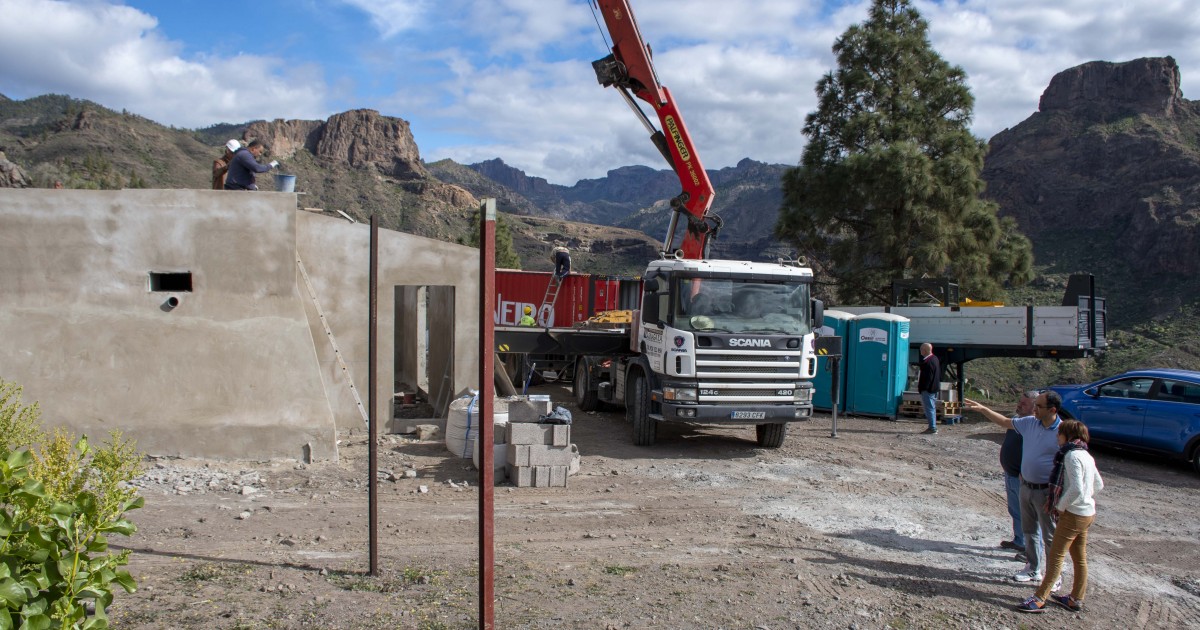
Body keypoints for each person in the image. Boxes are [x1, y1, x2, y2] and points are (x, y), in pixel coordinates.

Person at [964, 391, 1065, 589]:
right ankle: (1033, 568)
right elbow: (1004, 422)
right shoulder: (1029, 423)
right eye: (1034, 405)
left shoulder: (1062, 431)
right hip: (1026, 487)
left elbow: (1070, 461)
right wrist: (983, 409)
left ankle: (1054, 575)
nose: (1034, 409)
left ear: (1052, 410)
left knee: (1050, 535)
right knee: (1030, 531)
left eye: (1039, 406)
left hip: (1047, 492)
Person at [1016, 419, 1104, 614]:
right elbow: (1098, 485)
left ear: (1068, 436)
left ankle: (1039, 598)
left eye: (1060, 434)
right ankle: (1075, 599)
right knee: (1080, 558)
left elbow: (1077, 490)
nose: (1057, 437)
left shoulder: (1071, 456)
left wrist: (1060, 506)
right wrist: (1084, 501)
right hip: (1087, 513)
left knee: (1056, 557)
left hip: (1073, 515)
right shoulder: (1086, 455)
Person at [1000, 391, 1039, 561]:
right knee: (1015, 510)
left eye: (1024, 404)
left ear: (1035, 407)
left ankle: (1029, 551)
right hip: (1011, 473)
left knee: (1028, 515)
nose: (1019, 405)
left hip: (1022, 477)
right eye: (1019, 402)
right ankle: (1019, 540)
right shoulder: (1016, 420)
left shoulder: (1034, 426)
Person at [916, 343, 941, 434]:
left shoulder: (928, 362)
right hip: (934, 388)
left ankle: (932, 428)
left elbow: (927, 378)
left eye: (921, 349)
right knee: (932, 408)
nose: (920, 351)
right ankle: (932, 426)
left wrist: (922, 388)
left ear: (924, 350)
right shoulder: (935, 359)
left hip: (928, 389)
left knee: (929, 408)